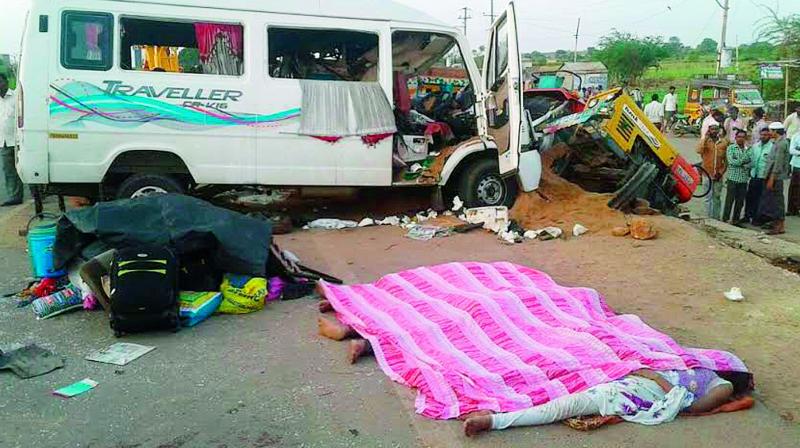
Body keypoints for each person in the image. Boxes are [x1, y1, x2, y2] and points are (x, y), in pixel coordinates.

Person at [463, 368, 734, 436]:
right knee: (556, 387)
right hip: (630, 381)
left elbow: (691, 405)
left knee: (564, 406)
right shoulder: (691, 365)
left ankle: (493, 421)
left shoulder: (722, 384)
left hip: (639, 392)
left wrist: (656, 379)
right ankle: (496, 411)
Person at [758, 122, 792, 235]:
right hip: (773, 176)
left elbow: (777, 163)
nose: (769, 133)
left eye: (771, 131)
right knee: (772, 201)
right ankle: (775, 222)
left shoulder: (782, 144)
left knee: (777, 201)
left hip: (776, 177)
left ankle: (779, 225)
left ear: (775, 131)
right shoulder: (777, 142)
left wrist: (772, 178)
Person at [697, 122, 729, 219]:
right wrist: (706, 137)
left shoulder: (724, 143)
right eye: (712, 129)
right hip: (706, 174)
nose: (714, 131)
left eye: (716, 129)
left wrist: (721, 172)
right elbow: (699, 150)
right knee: (707, 198)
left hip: (718, 175)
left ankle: (716, 218)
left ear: (718, 130)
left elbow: (726, 161)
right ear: (709, 130)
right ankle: (708, 218)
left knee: (717, 197)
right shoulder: (705, 142)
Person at [0, 74, 22, 207]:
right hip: (3, 142)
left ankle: (37, 194)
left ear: (6, 82)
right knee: (8, 171)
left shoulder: (16, 97)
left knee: (25, 168)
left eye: (0, 82)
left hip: (18, 141)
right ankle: (14, 196)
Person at [722, 129, 752, 224]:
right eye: (739, 137)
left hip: (743, 180)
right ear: (735, 138)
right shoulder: (731, 148)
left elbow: (751, 163)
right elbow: (731, 162)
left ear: (745, 138)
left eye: (743, 137)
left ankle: (736, 220)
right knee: (729, 201)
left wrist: (740, 162)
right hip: (732, 178)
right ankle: (725, 219)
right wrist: (744, 161)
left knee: (740, 202)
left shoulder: (749, 149)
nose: (741, 139)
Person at [746, 127, 774, 224]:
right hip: (754, 175)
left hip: (764, 176)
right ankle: (747, 216)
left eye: (765, 135)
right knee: (750, 197)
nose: (763, 137)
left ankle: (757, 218)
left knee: (761, 199)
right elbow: (751, 159)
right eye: (762, 135)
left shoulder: (772, 147)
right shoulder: (755, 146)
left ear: (769, 136)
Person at [788, 129, 800, 216]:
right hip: (796, 165)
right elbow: (791, 150)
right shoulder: (796, 136)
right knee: (794, 188)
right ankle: (792, 209)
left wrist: (798, 150)